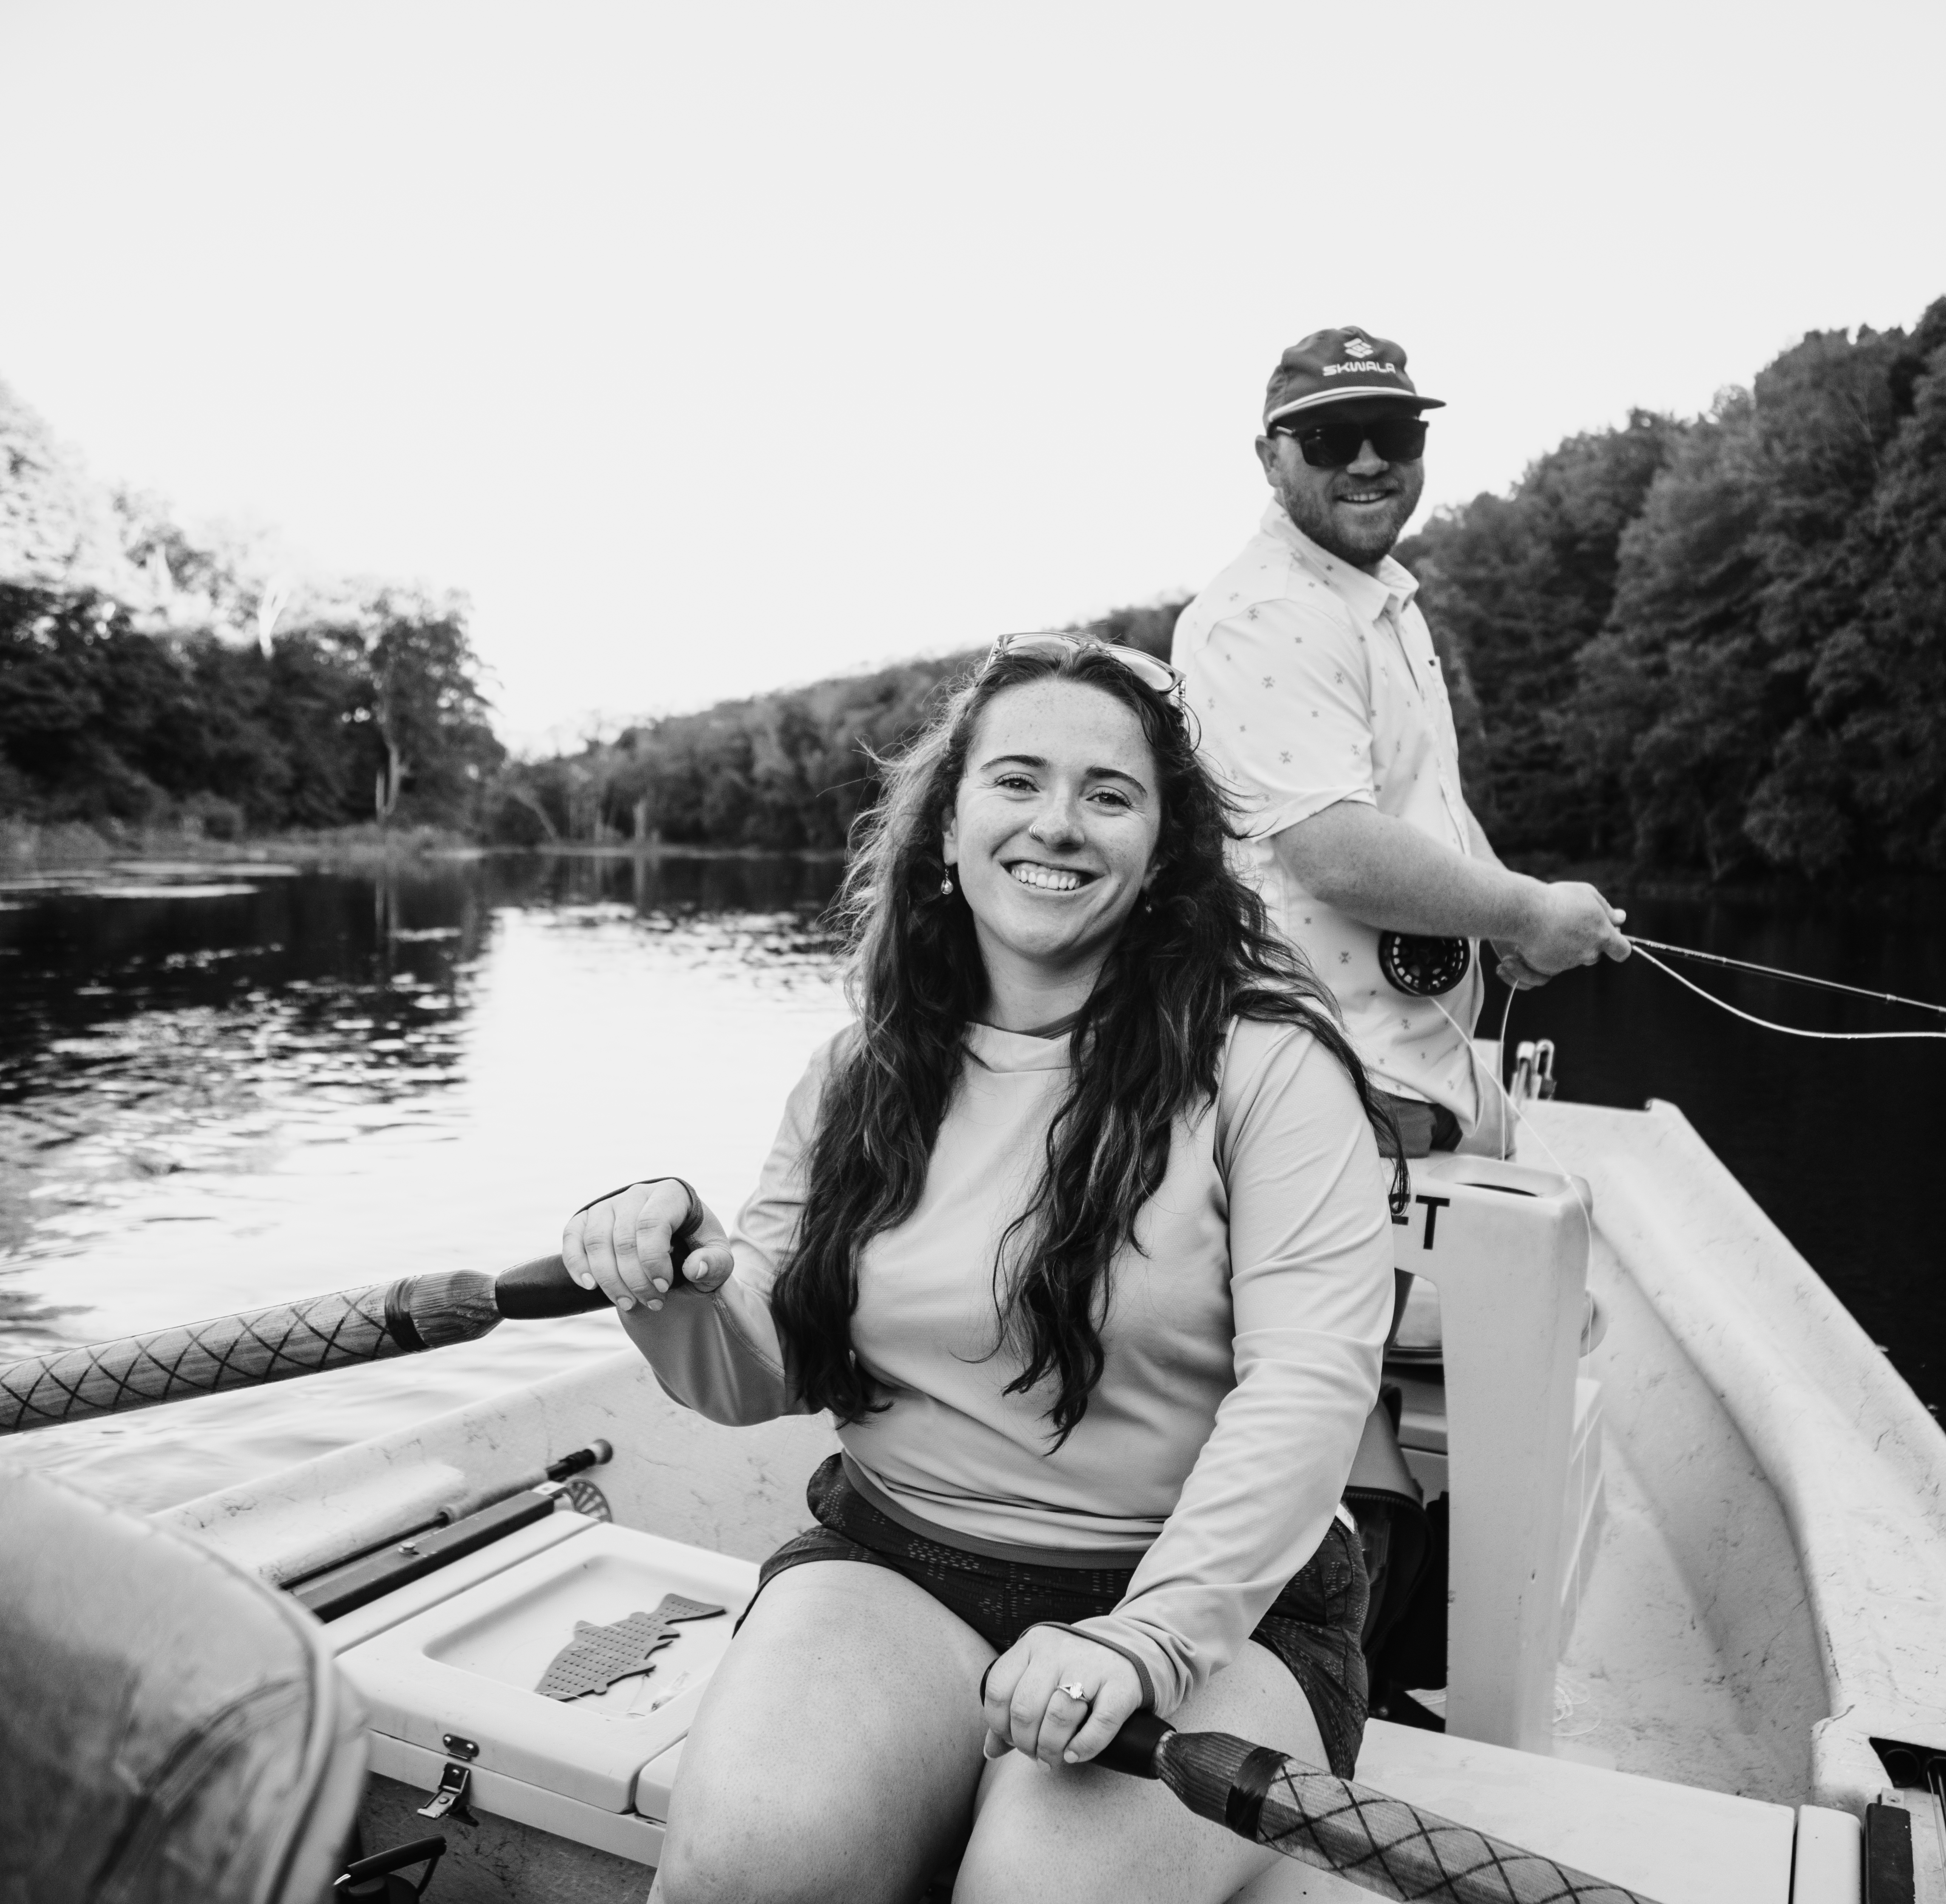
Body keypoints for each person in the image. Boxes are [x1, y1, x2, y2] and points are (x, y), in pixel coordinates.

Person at [559, 636, 1405, 1904]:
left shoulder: (1272, 1066)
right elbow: (766, 1369)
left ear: (1163, 851)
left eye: (1108, 794)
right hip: (900, 1562)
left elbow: (1307, 1389)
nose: (1057, 822)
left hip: (1216, 1614)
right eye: (1017, 780)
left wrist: (1146, 1641)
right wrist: (677, 1275)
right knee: (746, 1868)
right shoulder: (859, 1071)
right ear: (949, 830)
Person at [1172, 326, 1632, 1160]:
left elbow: (1427, 799)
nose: (1368, 461)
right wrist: (1530, 911)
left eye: (1394, 432)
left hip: (1405, 1081)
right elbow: (1335, 853)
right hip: (1326, 1090)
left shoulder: (1381, 598)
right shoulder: (1267, 614)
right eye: (1329, 438)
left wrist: (1506, 911)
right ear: (1270, 458)